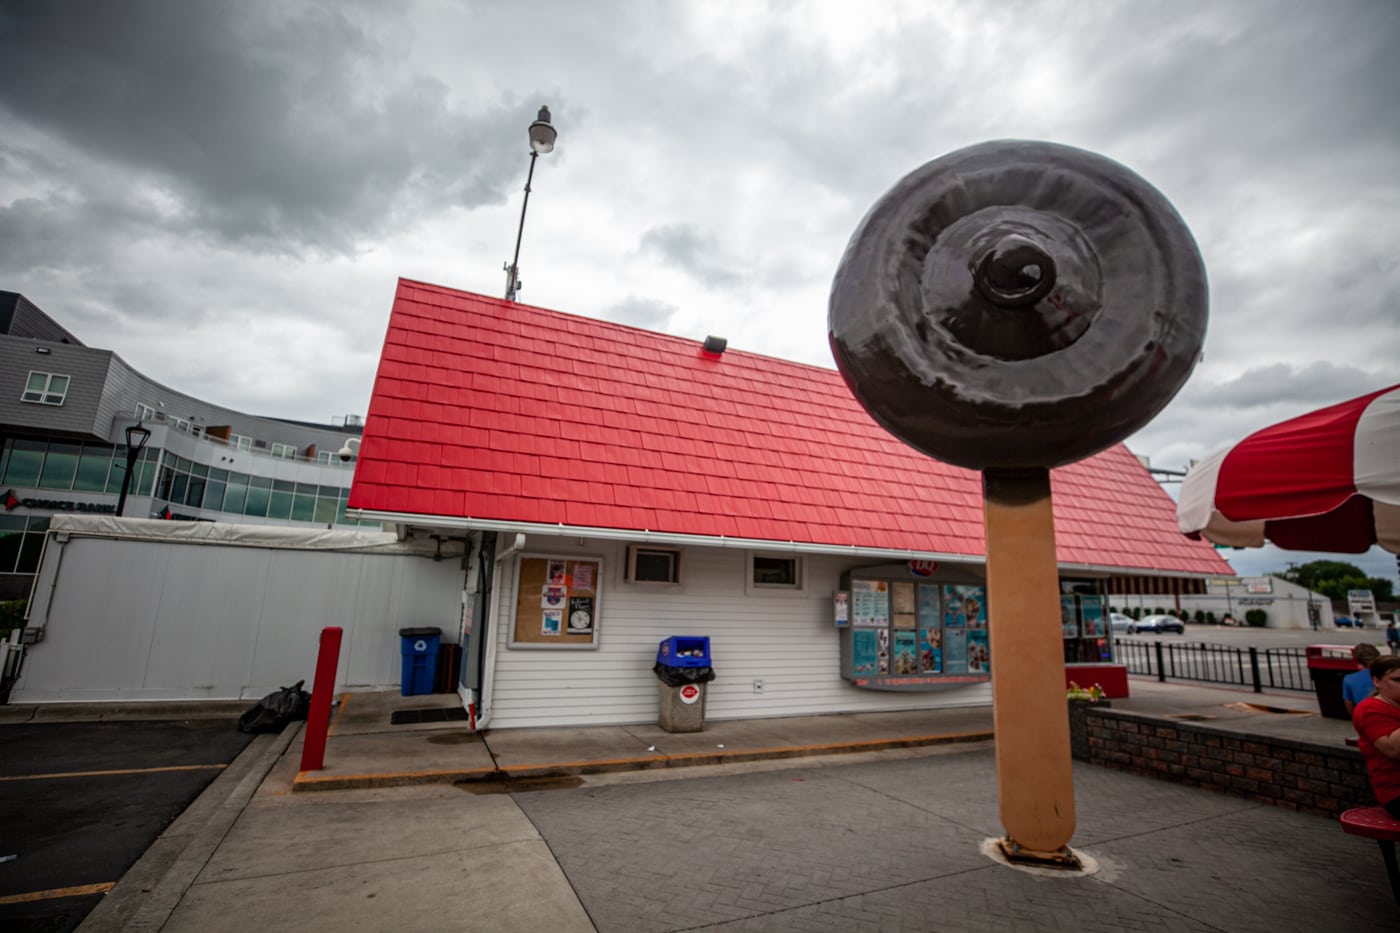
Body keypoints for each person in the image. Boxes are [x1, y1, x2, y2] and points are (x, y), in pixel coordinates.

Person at [1352, 656, 1400, 818]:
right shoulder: (1370, 709)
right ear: (1377, 681)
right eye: (1397, 680)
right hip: (1395, 794)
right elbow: (1394, 750)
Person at [1343, 643, 1381, 715]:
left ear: (1358, 662)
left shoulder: (1348, 679)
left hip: (1364, 718)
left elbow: (1350, 709)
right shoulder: (1389, 674)